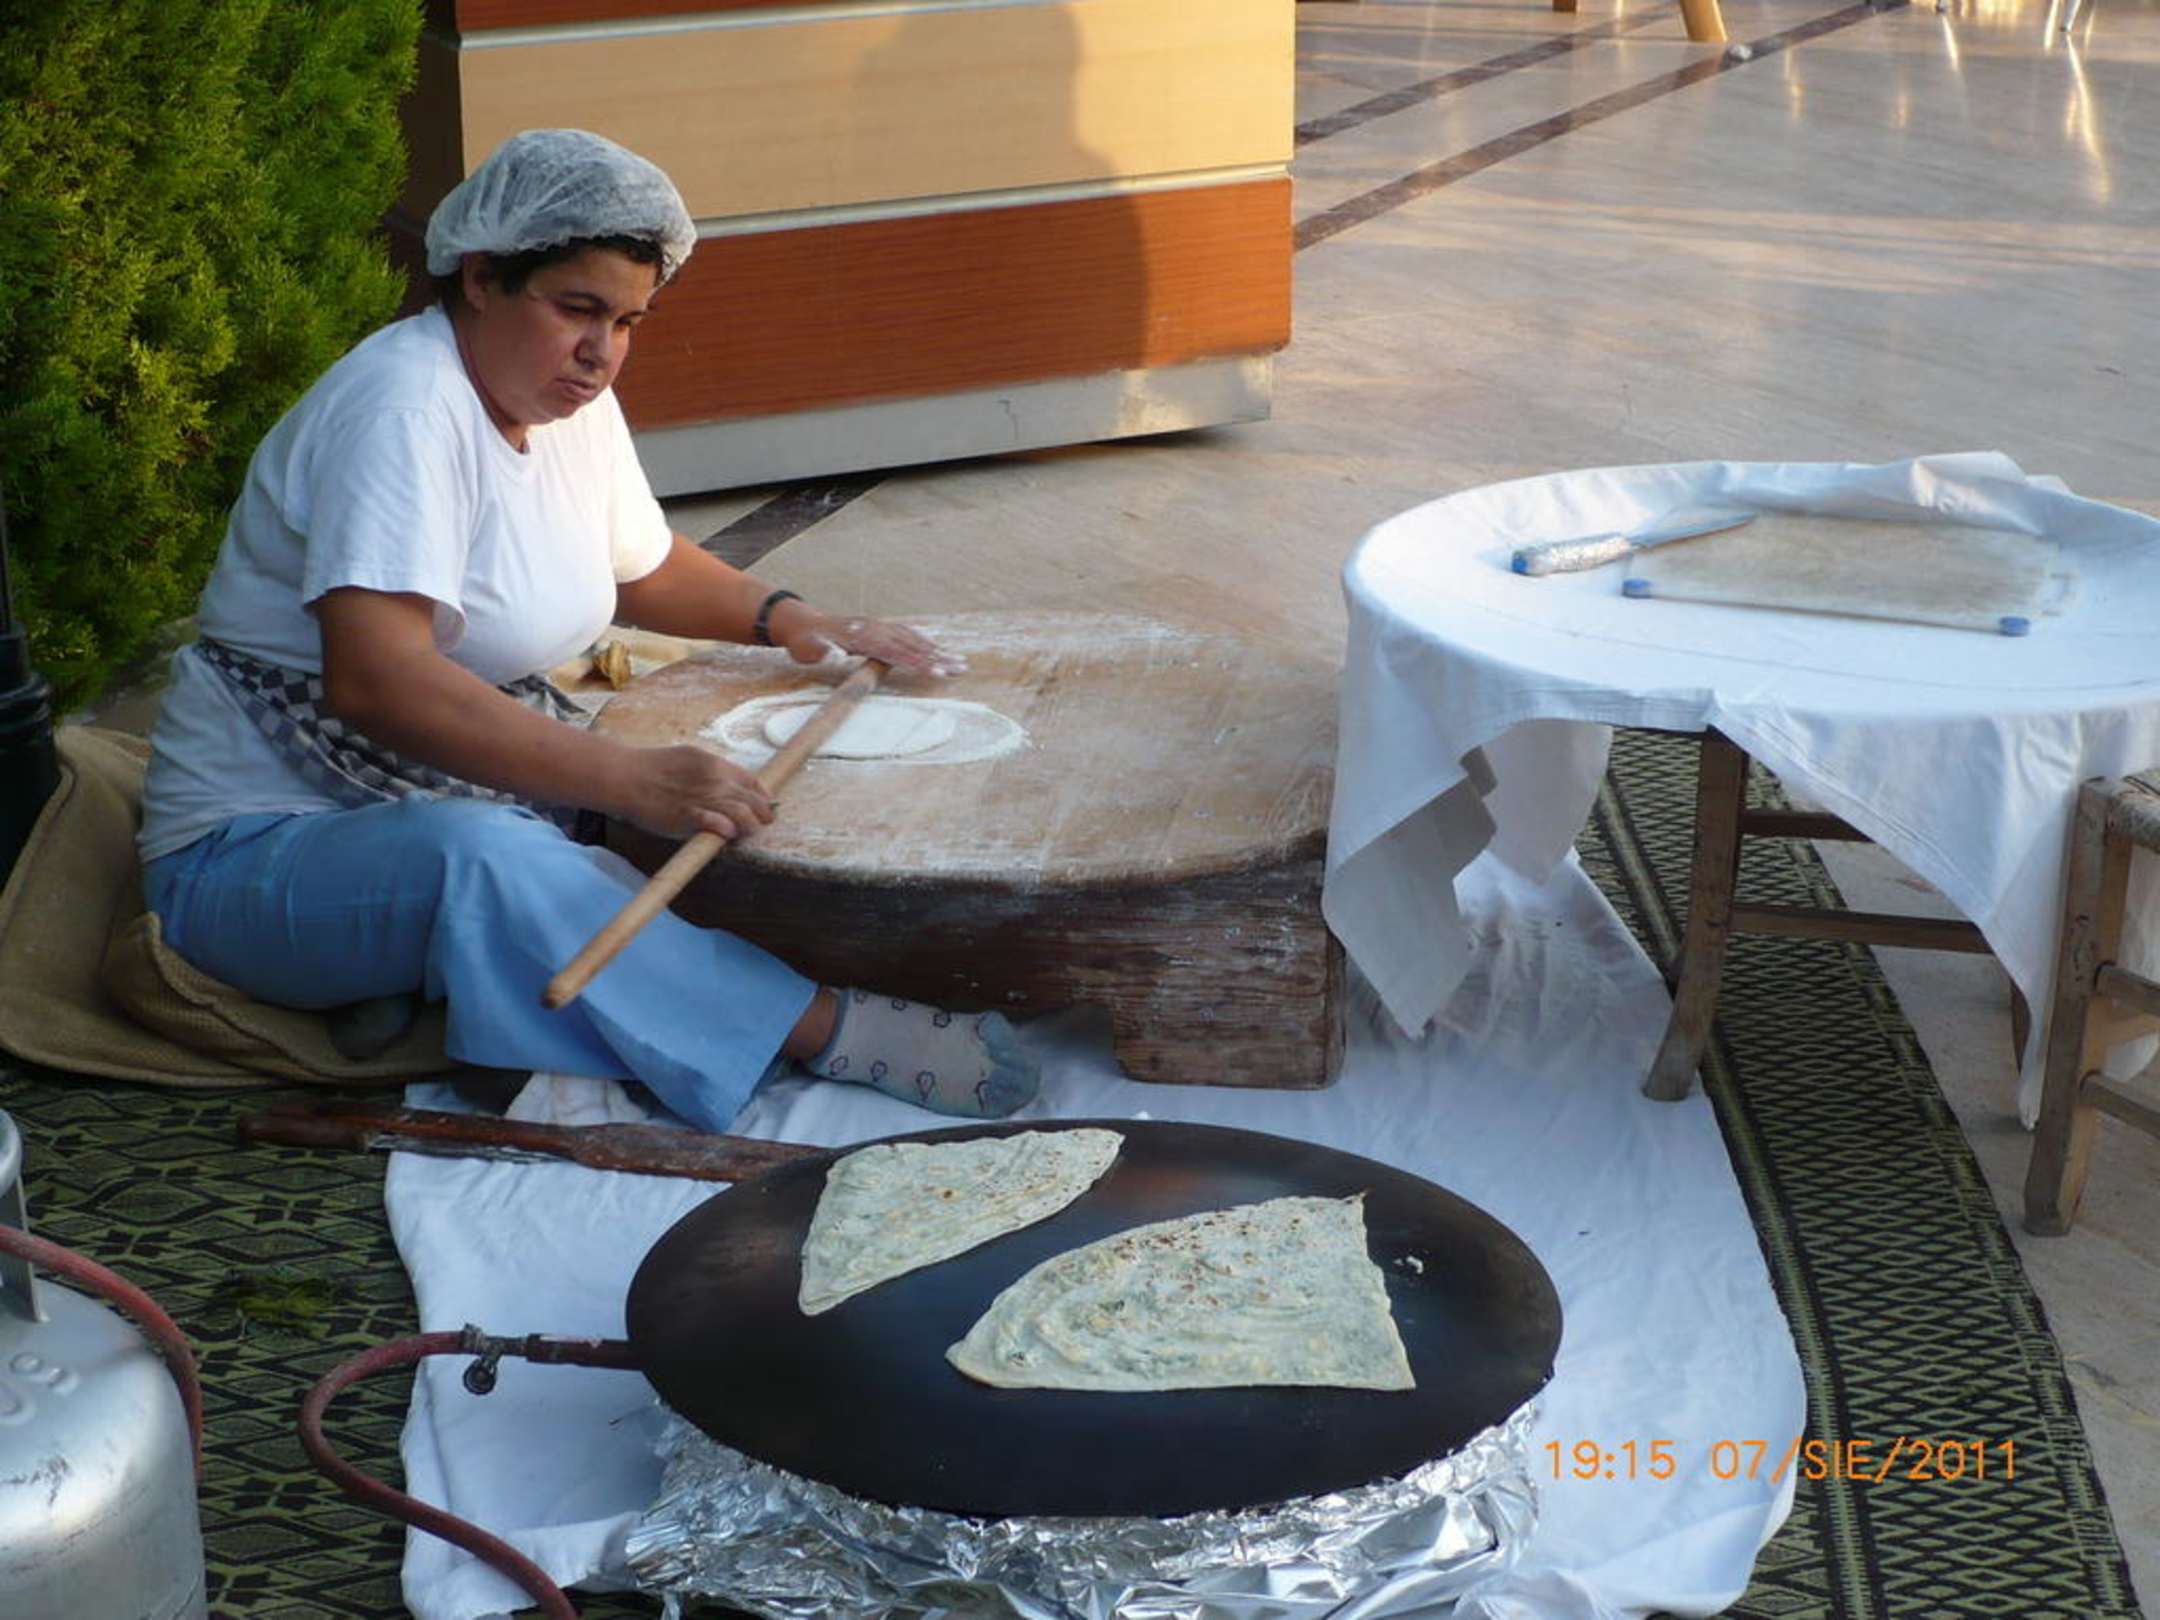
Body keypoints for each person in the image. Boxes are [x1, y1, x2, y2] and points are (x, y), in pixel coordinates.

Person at [135, 129, 1039, 1131]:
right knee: (482, 857)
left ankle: (427, 974)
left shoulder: (566, 402)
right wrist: (629, 780)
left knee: (706, 786)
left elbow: (641, 566)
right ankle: (818, 1028)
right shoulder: (402, 411)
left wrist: (796, 621)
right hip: (261, 850)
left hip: (439, 796)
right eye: (576, 309)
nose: (601, 352)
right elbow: (378, 682)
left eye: (627, 321)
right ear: (482, 277)